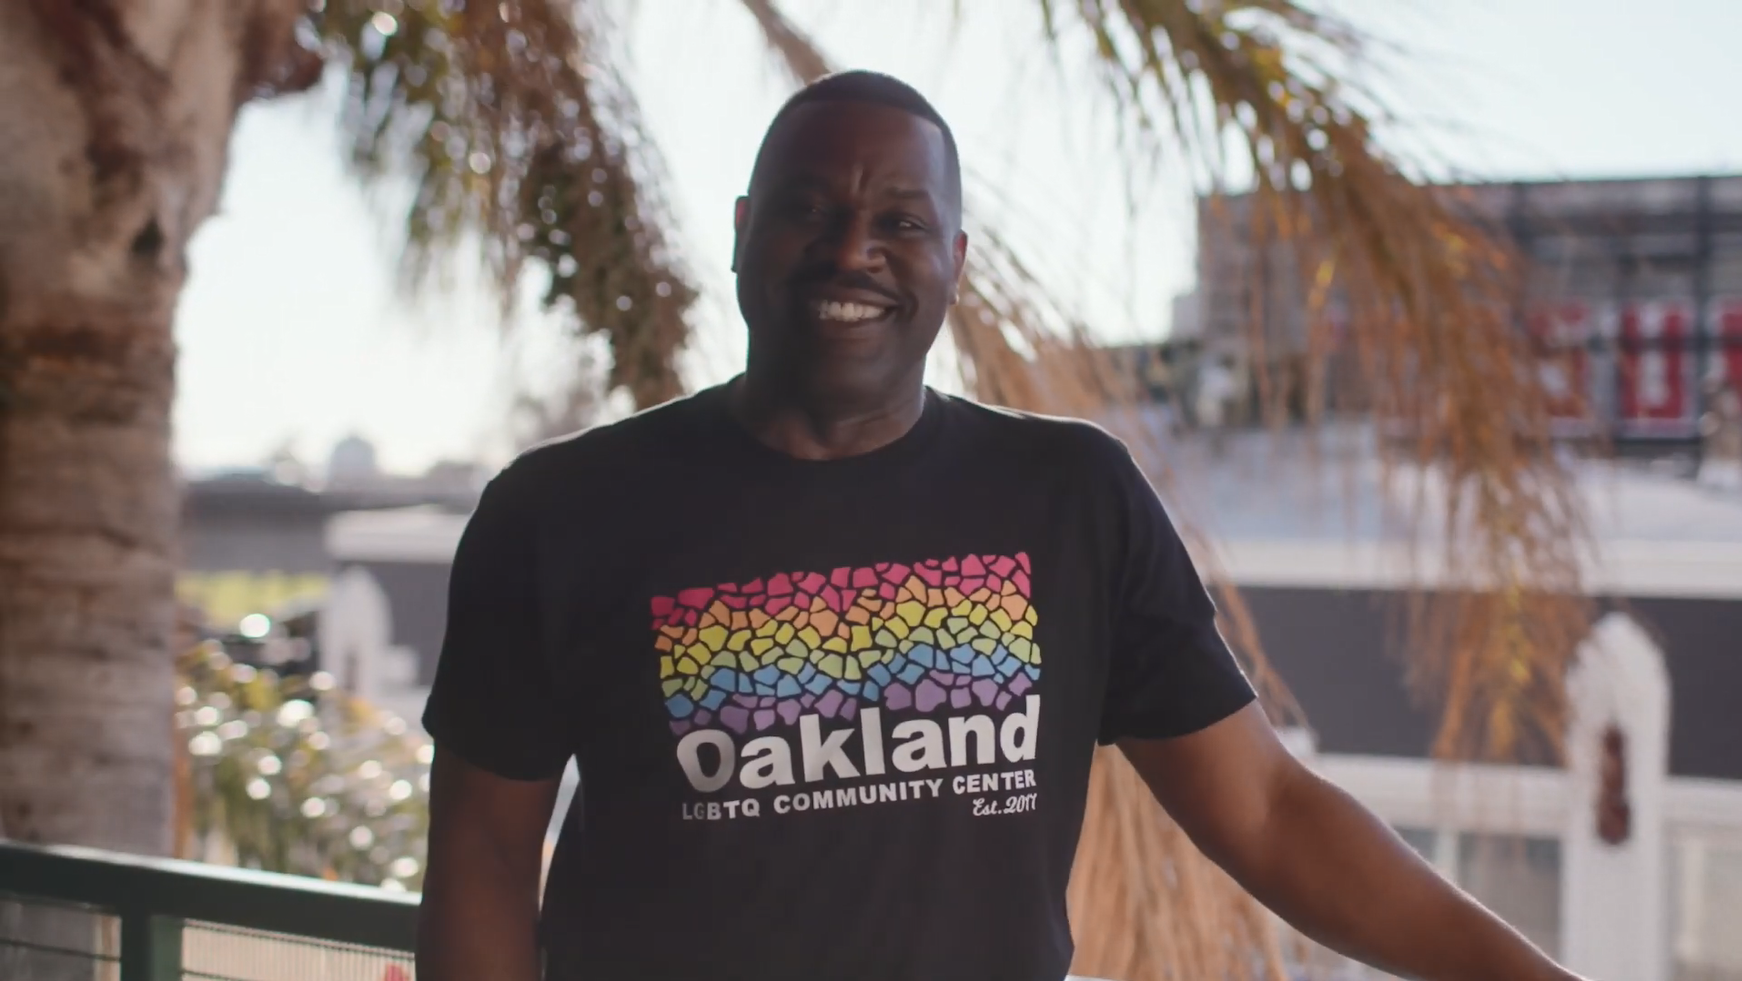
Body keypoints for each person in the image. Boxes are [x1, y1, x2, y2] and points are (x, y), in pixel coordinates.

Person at [415, 70, 1590, 981]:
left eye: (899, 221)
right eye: (808, 210)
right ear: (738, 230)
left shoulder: (1067, 498)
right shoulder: (559, 514)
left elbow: (1267, 812)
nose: (851, 250)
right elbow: (482, 856)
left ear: (954, 261)